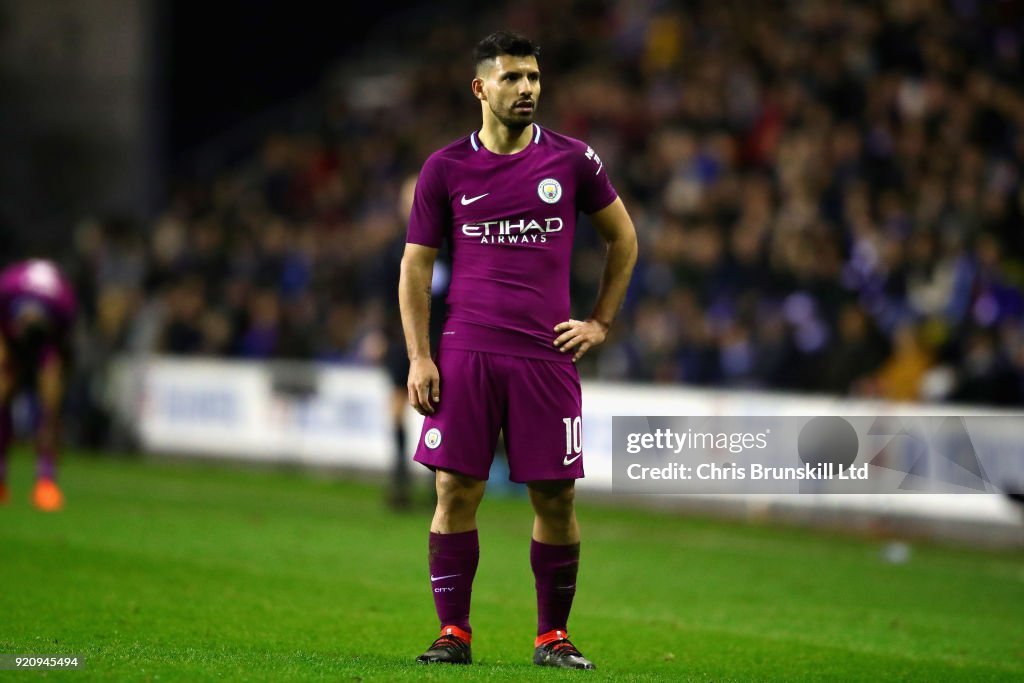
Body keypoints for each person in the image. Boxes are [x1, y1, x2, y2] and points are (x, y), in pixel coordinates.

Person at [399, 31, 638, 669]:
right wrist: (421, 357)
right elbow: (415, 270)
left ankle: (551, 637)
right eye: (512, 78)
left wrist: (600, 323)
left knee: (556, 495)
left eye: (533, 77)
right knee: (456, 490)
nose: (527, 88)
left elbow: (624, 239)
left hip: (545, 356)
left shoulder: (573, 161)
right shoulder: (445, 168)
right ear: (481, 88)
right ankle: (454, 633)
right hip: (465, 354)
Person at [0, 259, 77, 511]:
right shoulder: (6, 290)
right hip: (6, 337)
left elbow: (64, 347)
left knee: (50, 407)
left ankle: (46, 481)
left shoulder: (63, 304)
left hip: (48, 343)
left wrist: (55, 386)